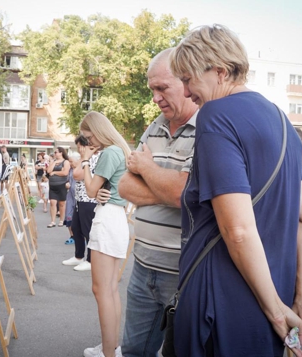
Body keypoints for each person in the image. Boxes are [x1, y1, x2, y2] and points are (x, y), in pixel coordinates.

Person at [168, 24, 302, 356]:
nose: (185, 90)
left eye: (187, 78)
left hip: (221, 296)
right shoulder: (283, 122)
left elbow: (237, 229)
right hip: (273, 295)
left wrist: (277, 311)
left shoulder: (215, 116)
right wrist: (299, 300)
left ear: (220, 72)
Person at [116, 48, 198, 357]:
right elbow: (125, 185)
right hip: (142, 266)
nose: (155, 98)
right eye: (152, 89)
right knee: (134, 351)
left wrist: (148, 171)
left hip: (181, 275)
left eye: (162, 88)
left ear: (187, 82)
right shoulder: (155, 126)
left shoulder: (207, 127)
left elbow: (183, 193)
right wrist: (169, 187)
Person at [79, 111, 131, 357]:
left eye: (89, 137)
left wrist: (86, 160)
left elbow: (90, 190)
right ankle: (111, 347)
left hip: (108, 218)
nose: (89, 143)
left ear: (99, 131)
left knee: (102, 290)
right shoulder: (118, 150)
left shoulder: (109, 152)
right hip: (116, 217)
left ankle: (108, 352)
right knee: (110, 289)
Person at [62, 135, 101, 272]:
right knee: (76, 228)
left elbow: (77, 175)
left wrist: (82, 160)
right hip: (80, 199)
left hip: (89, 200)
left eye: (80, 147)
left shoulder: (94, 158)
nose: (79, 150)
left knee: (88, 231)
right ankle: (78, 256)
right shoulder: (84, 159)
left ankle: (90, 260)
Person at [46, 147, 70, 228]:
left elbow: (65, 173)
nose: (55, 154)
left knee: (62, 203)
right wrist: (53, 163)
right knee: (52, 203)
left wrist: (55, 172)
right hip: (52, 185)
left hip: (62, 184)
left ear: (61, 153)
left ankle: (61, 220)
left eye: (56, 152)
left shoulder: (65, 162)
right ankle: (52, 221)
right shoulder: (53, 161)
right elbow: (49, 171)